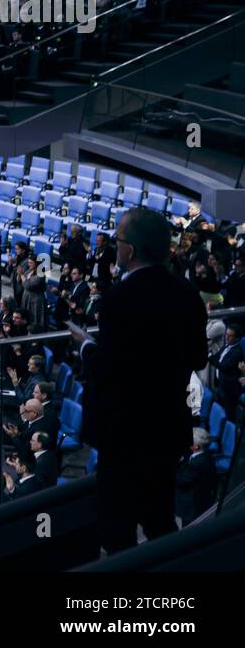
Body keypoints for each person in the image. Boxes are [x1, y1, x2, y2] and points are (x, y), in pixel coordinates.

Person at [78, 206, 208, 553]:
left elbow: (109, 369)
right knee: (159, 520)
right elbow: (198, 358)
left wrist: (87, 348)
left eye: (118, 240)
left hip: (123, 435)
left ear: (129, 250)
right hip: (166, 428)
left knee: (115, 527)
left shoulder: (119, 297)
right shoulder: (186, 293)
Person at [175, 428, 218, 526]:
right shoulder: (207, 456)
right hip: (200, 499)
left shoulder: (196, 465)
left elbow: (180, 480)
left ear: (196, 447)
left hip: (192, 507)